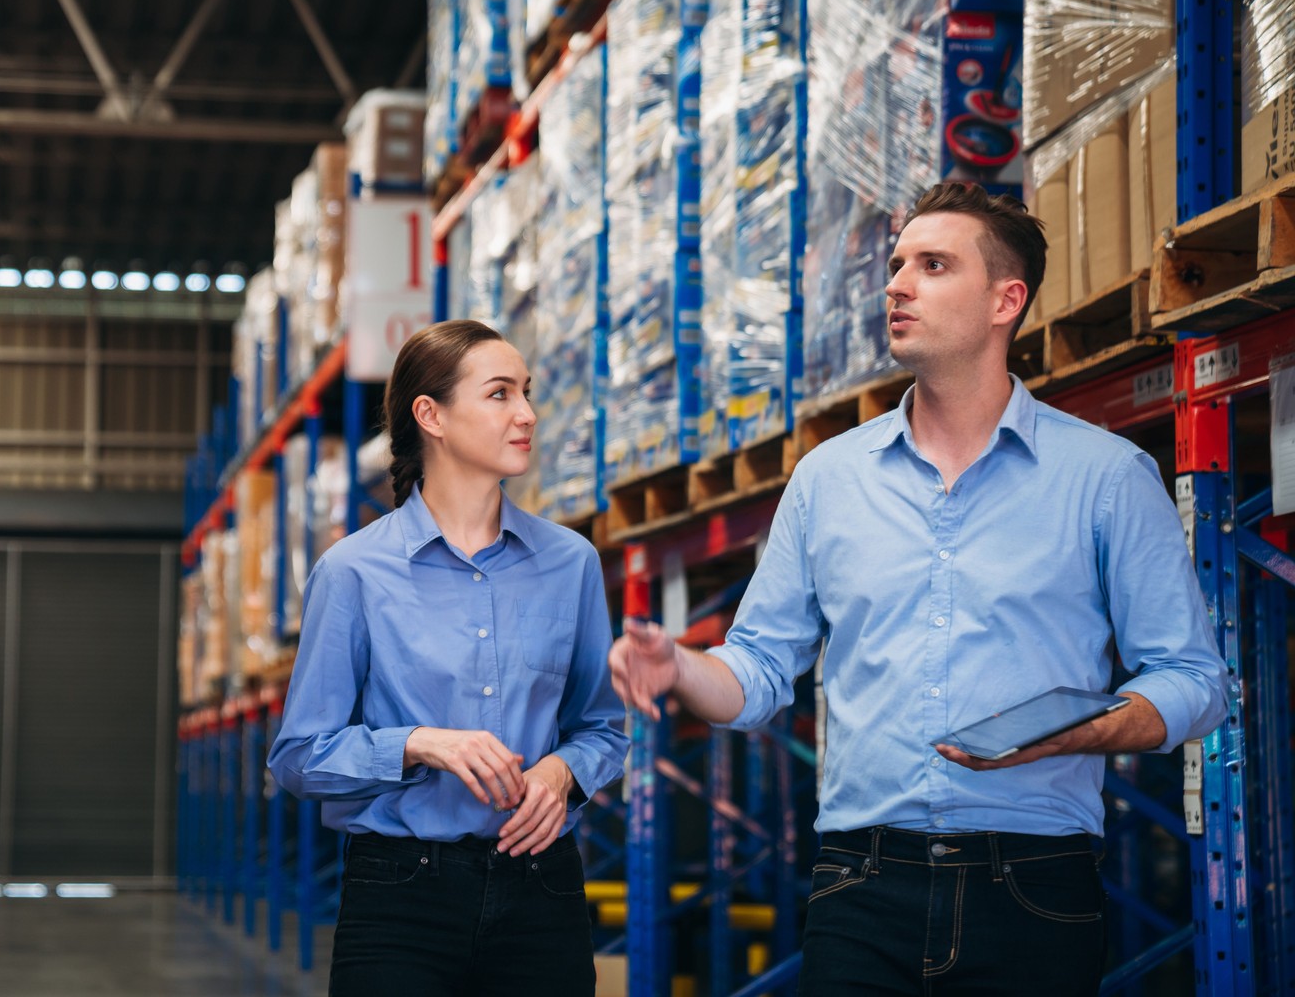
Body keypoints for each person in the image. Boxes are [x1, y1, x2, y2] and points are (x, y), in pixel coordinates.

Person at [608, 182, 1227, 995]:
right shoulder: (828, 479)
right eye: (897, 264)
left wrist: (1075, 732)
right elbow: (758, 672)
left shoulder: (1106, 478)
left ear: (1007, 300)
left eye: (933, 266)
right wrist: (678, 667)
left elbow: (1193, 681)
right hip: (861, 885)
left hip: (1033, 889)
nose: (897, 284)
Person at [268, 319, 629, 997]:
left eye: (526, 392)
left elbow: (603, 728)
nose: (526, 414)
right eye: (499, 394)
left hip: (541, 887)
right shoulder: (353, 572)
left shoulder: (570, 563)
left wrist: (561, 773)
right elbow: (299, 757)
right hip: (401, 897)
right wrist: (420, 744)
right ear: (430, 415)